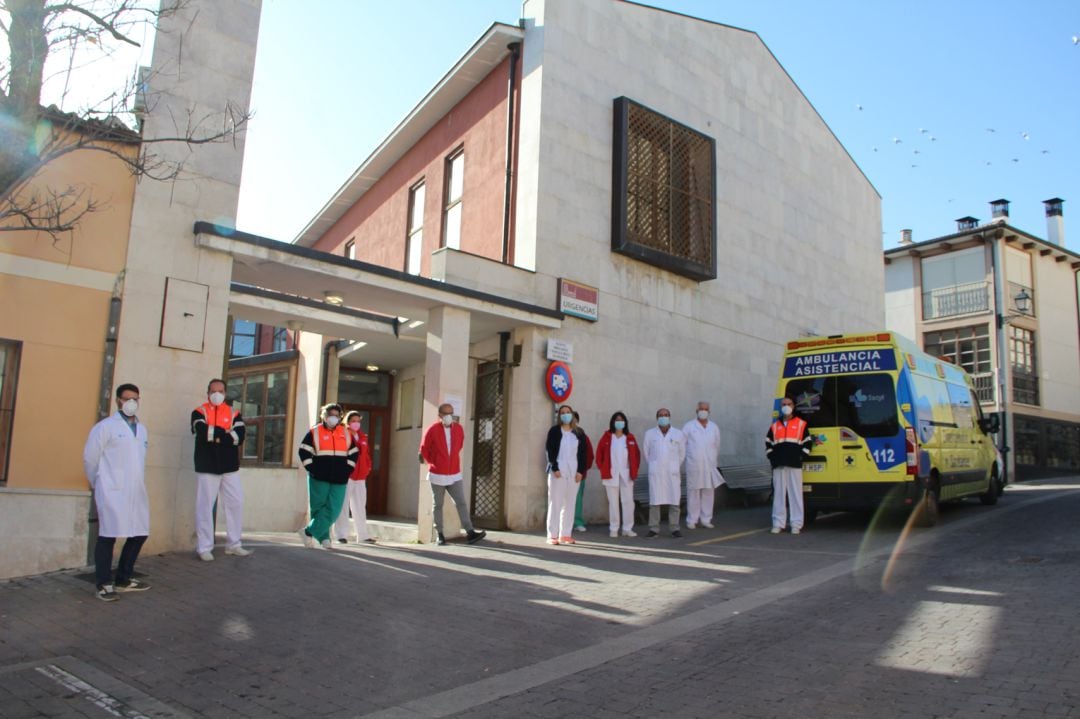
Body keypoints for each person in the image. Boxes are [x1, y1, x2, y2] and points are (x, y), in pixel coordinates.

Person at [83, 383, 152, 602]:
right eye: (126, 398)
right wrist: (99, 481)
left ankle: (123, 578)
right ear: (118, 401)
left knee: (140, 532)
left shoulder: (142, 429)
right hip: (111, 488)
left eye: (135, 399)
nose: (131, 402)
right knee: (108, 534)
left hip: (135, 489)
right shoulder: (105, 427)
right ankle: (103, 583)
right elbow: (90, 458)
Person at [191, 378, 251, 561]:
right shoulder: (198, 412)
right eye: (213, 391)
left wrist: (216, 436)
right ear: (208, 392)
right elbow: (201, 432)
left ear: (225, 393)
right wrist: (225, 435)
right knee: (205, 506)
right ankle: (204, 547)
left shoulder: (234, 412)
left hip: (229, 466)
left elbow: (239, 436)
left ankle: (233, 544)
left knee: (236, 503)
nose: (217, 394)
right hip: (207, 465)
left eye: (221, 391)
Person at [420, 403, 487, 546]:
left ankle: (470, 532)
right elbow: (424, 449)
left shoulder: (458, 429)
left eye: (451, 413)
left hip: (454, 473)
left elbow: (459, 445)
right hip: (437, 474)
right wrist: (435, 462)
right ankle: (440, 534)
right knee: (438, 504)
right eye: (446, 413)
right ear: (440, 415)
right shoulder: (432, 430)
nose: (449, 416)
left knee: (461, 502)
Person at [298, 403, 358, 549]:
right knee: (318, 508)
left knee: (335, 508)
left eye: (337, 416)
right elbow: (304, 451)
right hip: (318, 477)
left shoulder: (345, 433)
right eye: (331, 415)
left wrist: (347, 470)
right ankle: (324, 538)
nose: (334, 418)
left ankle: (308, 532)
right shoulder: (314, 432)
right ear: (324, 416)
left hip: (340, 477)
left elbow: (354, 453)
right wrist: (313, 469)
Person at [766, 396, 813, 534]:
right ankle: (778, 523)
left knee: (795, 494)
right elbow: (768, 443)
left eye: (789, 404)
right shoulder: (775, 426)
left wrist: (800, 457)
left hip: (794, 464)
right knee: (779, 494)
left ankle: (796, 524)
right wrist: (772, 458)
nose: (786, 406)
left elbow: (808, 443)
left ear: (793, 406)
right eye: (784, 404)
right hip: (779, 465)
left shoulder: (801, 424)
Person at [545, 405, 588, 545]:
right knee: (556, 503)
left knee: (570, 504)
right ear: (559, 416)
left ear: (572, 415)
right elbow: (550, 450)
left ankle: (566, 534)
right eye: (562, 413)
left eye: (568, 412)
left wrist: (580, 471)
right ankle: (552, 535)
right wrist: (555, 467)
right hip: (558, 471)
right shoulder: (554, 431)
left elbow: (583, 455)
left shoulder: (579, 433)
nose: (565, 415)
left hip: (574, 472)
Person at [595, 411, 641, 538]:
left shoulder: (630, 438)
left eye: (622, 420)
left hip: (626, 475)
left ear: (625, 423)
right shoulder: (607, 437)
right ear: (613, 422)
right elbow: (599, 455)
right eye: (617, 420)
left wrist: (634, 470)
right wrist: (603, 468)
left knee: (628, 502)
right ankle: (614, 528)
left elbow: (637, 456)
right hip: (611, 475)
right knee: (613, 503)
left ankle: (627, 528)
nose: (619, 422)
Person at [642, 408, 686, 538]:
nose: (663, 417)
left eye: (666, 415)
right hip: (657, 472)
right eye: (661, 415)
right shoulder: (650, 434)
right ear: (657, 418)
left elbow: (682, 453)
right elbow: (646, 453)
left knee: (674, 501)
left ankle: (674, 528)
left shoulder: (678, 434)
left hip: (672, 473)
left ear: (670, 417)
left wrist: (674, 466)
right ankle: (654, 528)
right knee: (655, 501)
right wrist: (654, 465)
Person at [333, 411, 375, 544]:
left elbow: (366, 454)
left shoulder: (362, 436)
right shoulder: (342, 435)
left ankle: (362, 535)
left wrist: (367, 467)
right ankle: (341, 535)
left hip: (361, 476)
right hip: (347, 475)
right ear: (347, 422)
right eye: (353, 421)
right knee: (343, 506)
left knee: (360, 507)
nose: (356, 423)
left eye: (358, 421)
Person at [682, 401, 723, 530]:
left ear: (709, 412)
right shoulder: (689, 426)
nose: (703, 411)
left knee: (708, 492)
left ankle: (706, 519)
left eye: (706, 409)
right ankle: (692, 519)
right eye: (701, 409)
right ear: (696, 410)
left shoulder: (714, 427)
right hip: (694, 465)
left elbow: (716, 445)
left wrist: (714, 461)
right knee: (694, 492)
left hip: (709, 465)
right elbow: (682, 446)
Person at [571, 411, 594, 532]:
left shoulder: (583, 436)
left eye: (574, 419)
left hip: (579, 474)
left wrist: (583, 470)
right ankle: (564, 523)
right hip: (564, 474)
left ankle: (578, 521)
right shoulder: (560, 434)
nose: (571, 421)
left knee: (578, 499)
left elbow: (589, 455)